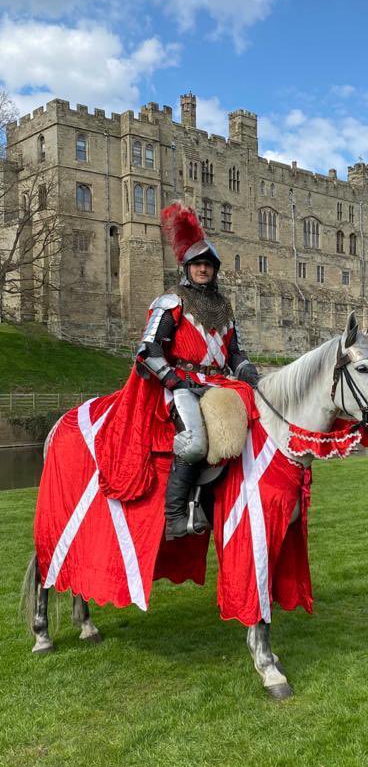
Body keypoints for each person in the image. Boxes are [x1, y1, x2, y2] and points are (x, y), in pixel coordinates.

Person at [135, 203, 259, 539]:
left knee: (258, 426)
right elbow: (148, 349)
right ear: (187, 268)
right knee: (192, 443)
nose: (203, 269)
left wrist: (249, 372)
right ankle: (175, 516)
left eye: (208, 264)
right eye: (197, 264)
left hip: (218, 383)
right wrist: (173, 380)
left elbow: (234, 352)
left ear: (214, 270)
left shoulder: (224, 307)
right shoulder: (172, 300)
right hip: (179, 383)